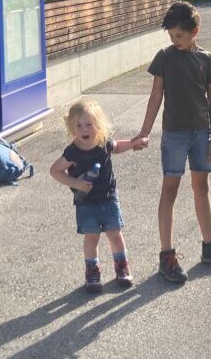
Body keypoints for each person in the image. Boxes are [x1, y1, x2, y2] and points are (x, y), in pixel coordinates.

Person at [135, 0, 211, 283]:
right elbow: (155, 97)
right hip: (174, 135)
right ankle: (167, 256)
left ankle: (210, 247)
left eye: (179, 36)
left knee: (202, 186)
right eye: (171, 37)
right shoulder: (164, 58)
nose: (175, 41)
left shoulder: (207, 60)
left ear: (196, 30)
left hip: (201, 134)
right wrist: (145, 131)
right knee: (169, 189)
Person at [49, 97, 148, 293]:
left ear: (98, 125)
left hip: (109, 197)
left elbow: (117, 147)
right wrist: (76, 183)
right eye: (79, 125)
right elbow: (55, 171)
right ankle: (92, 272)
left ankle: (122, 267)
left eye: (89, 124)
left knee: (115, 234)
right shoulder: (72, 152)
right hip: (86, 203)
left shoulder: (103, 143)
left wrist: (134, 143)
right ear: (72, 127)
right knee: (91, 238)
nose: (84, 129)